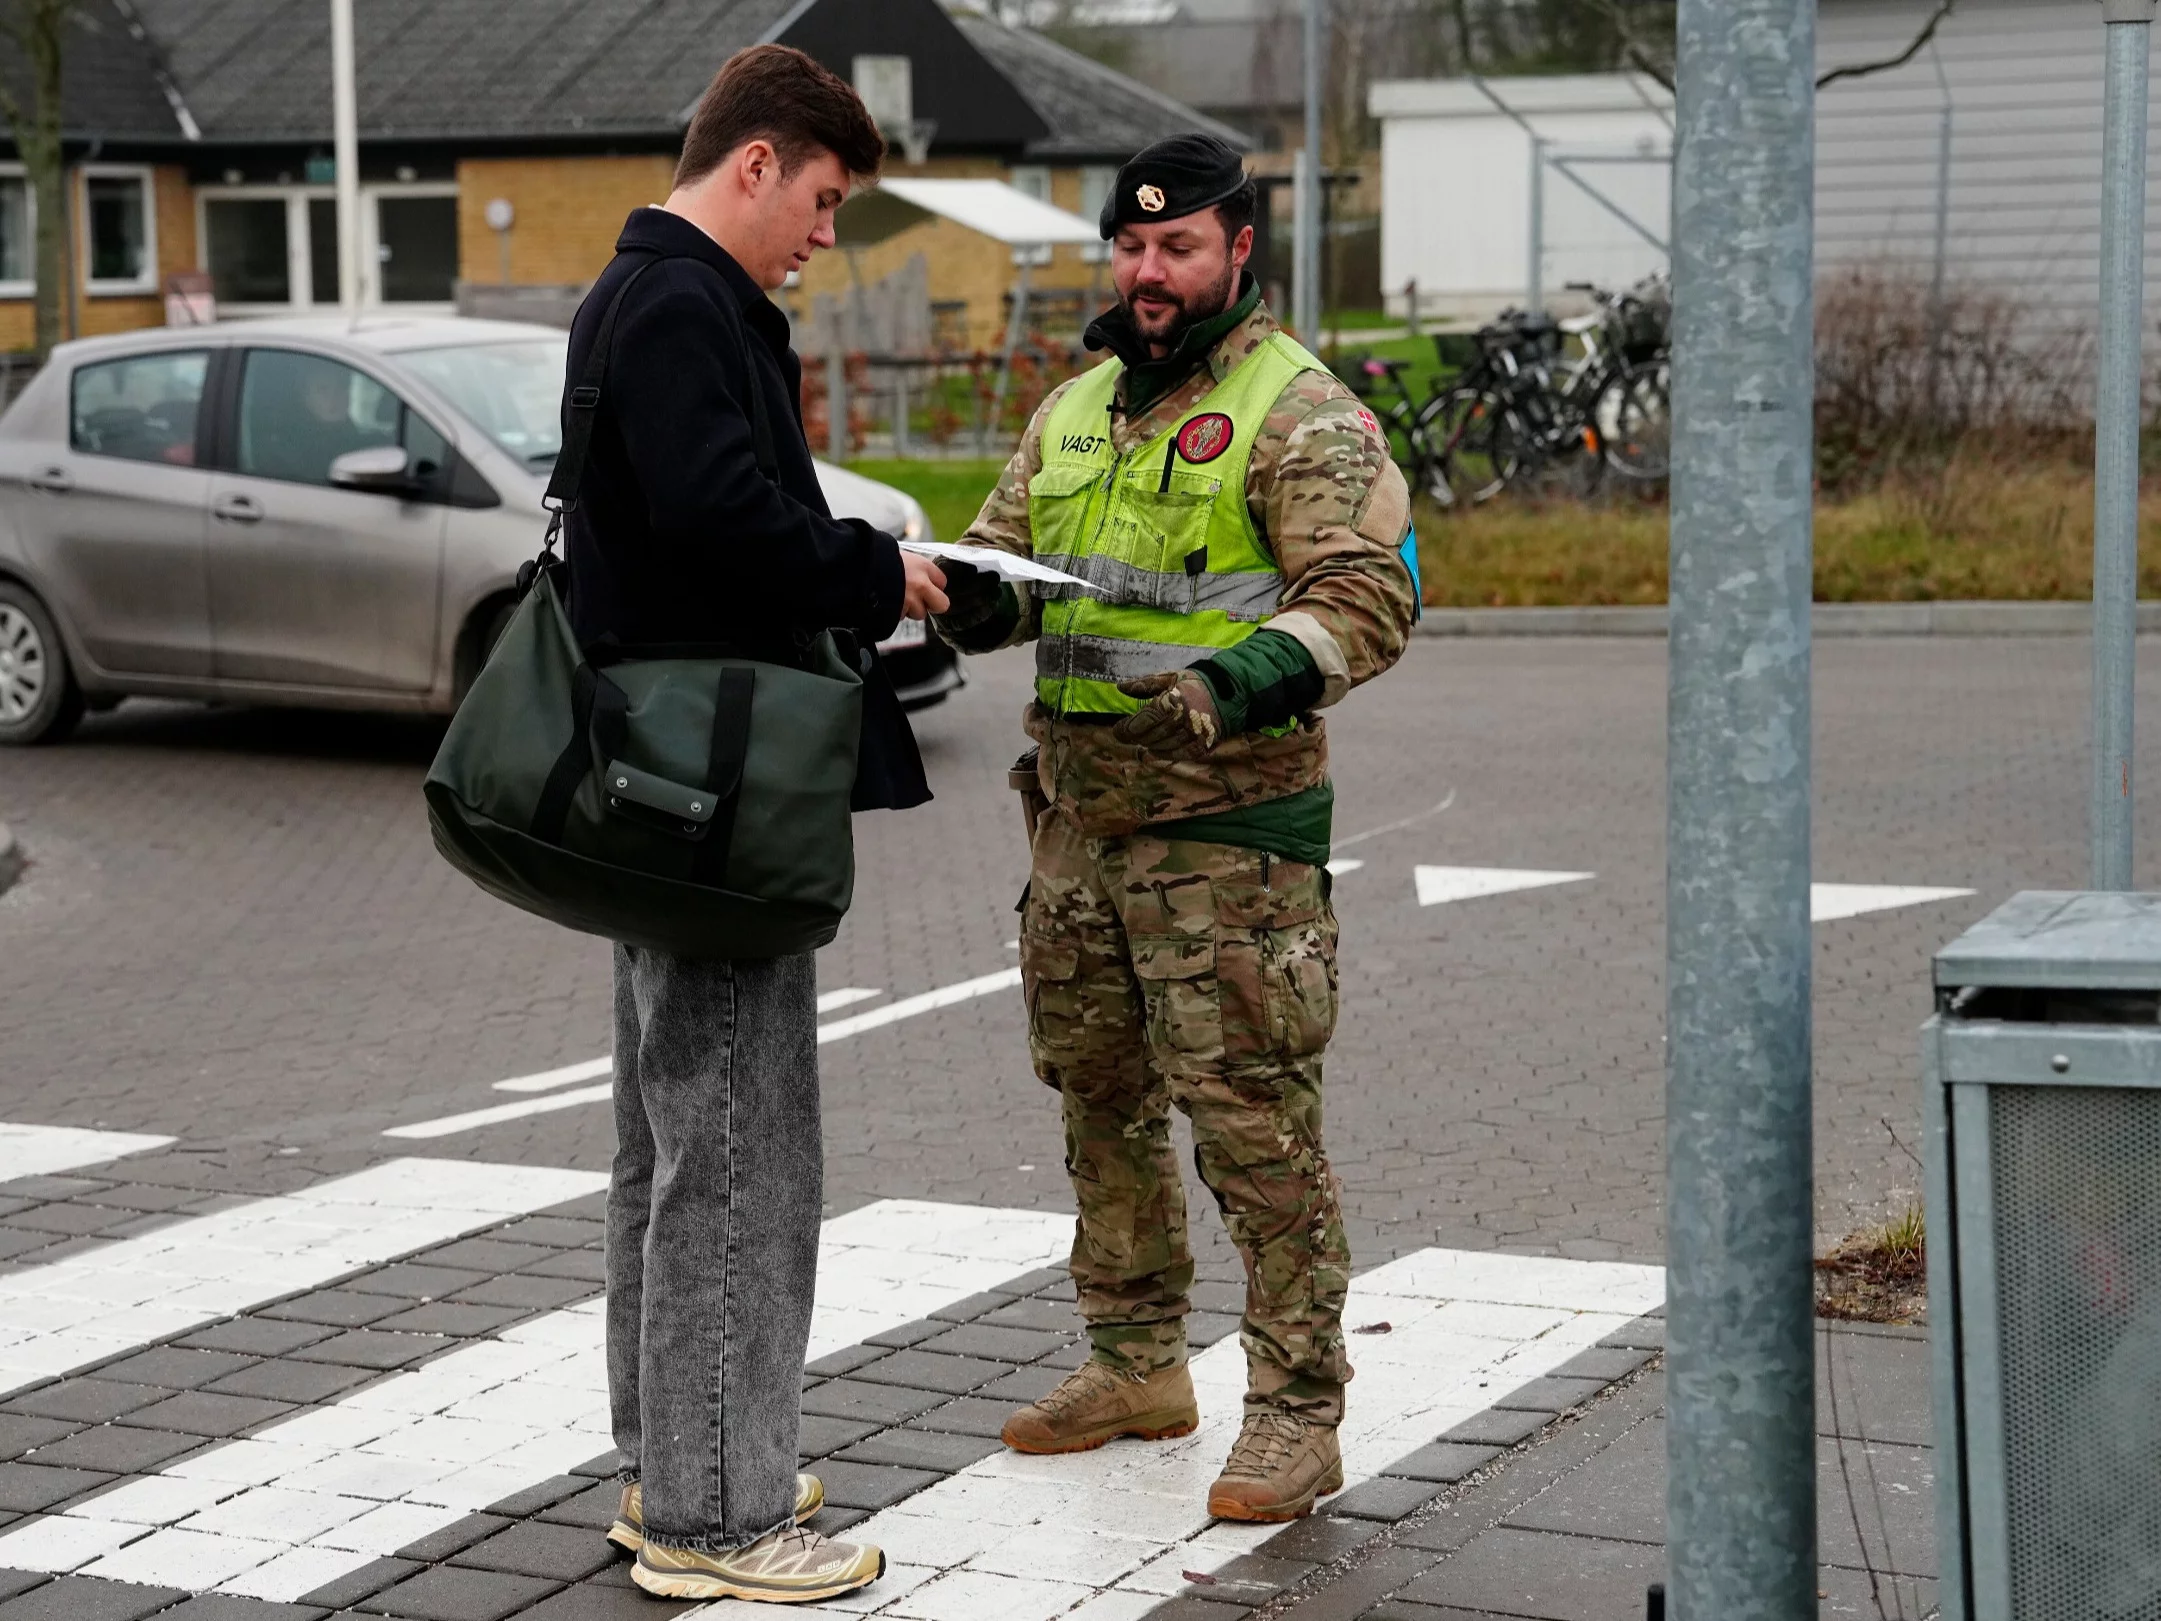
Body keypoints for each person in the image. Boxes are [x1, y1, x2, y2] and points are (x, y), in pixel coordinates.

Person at [933, 132, 1417, 1522]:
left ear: (1238, 251)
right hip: (1080, 831)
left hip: (1229, 841)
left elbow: (1365, 599)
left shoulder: (1299, 412)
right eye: (1132, 248)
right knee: (1100, 1107)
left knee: (1254, 1128)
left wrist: (1236, 679)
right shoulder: (1076, 407)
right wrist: (967, 599)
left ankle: (1296, 1411)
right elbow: (1020, 565)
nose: (1149, 273)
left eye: (1179, 248)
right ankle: (1136, 1361)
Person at [560, 44, 948, 1604]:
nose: (826, 234)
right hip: (714, 797)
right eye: (825, 198)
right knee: (734, 1150)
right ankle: (717, 1518)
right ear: (755, 164)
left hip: (665, 785)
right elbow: (726, 519)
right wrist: (872, 570)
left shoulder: (638, 296)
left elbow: (685, 515)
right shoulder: (679, 308)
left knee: (671, 1137)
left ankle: (680, 1462)